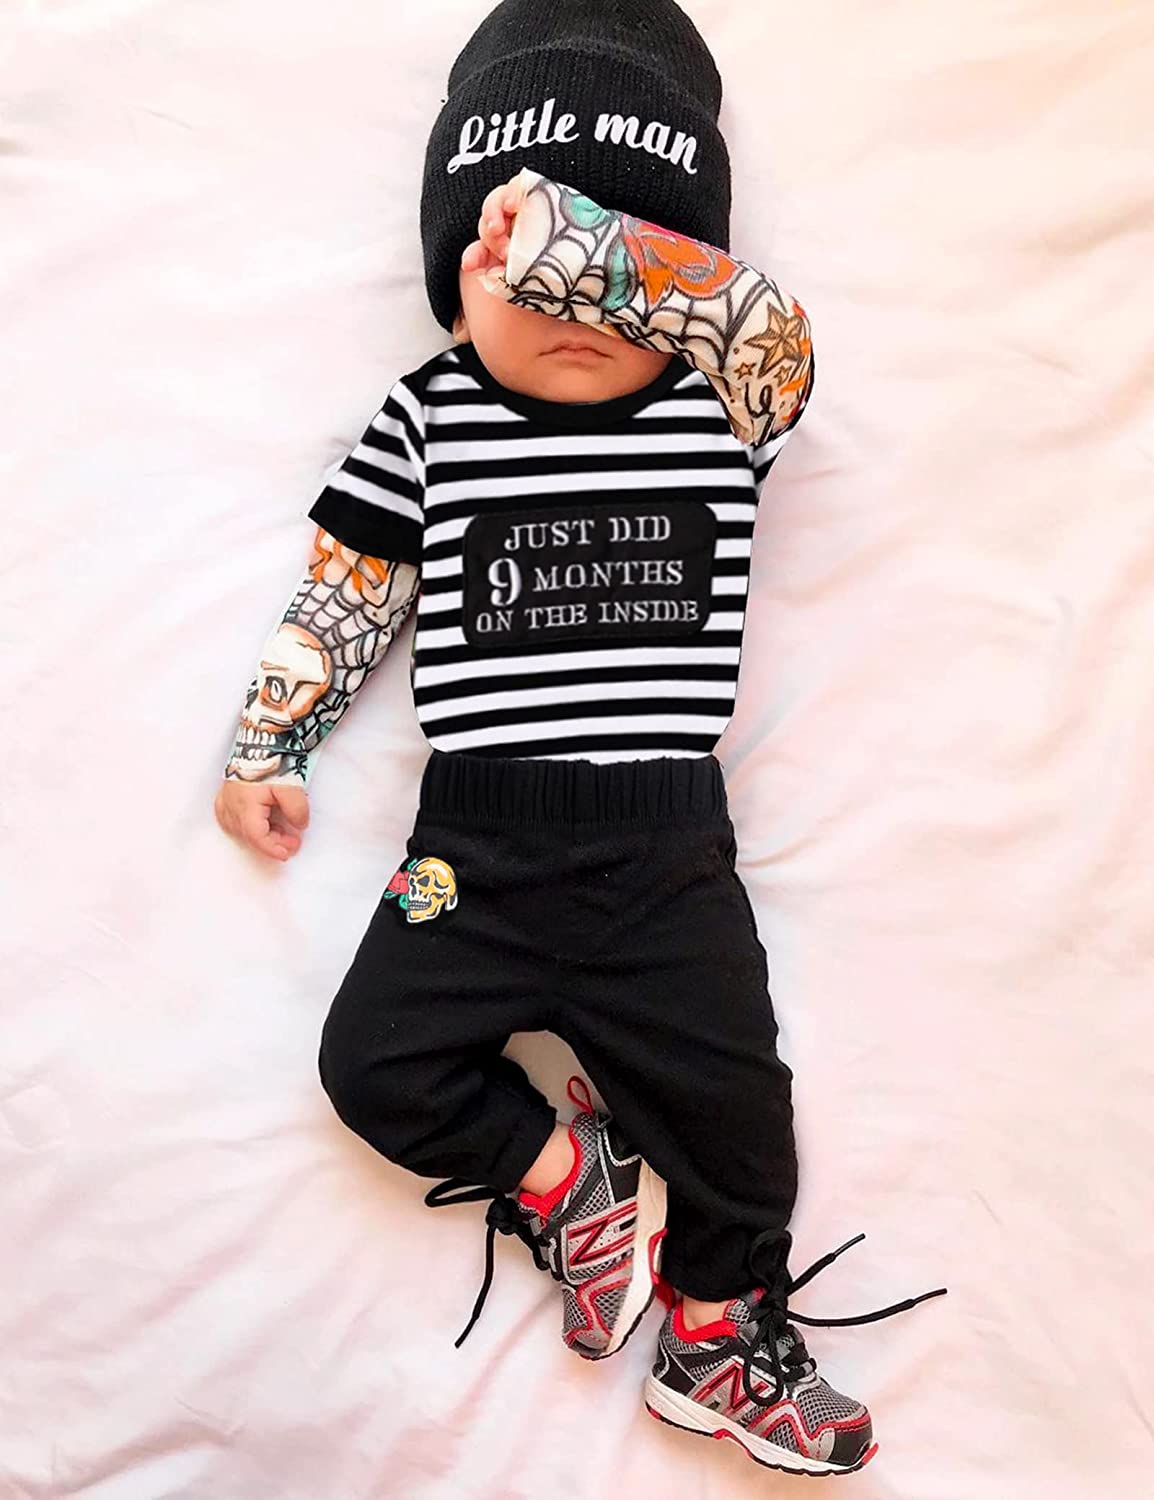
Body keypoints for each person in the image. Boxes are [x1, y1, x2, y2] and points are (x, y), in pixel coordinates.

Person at [214, 0, 944, 1478]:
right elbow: (351, 586)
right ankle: (565, 1178)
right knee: (372, 1065)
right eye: (512, 262)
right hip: (473, 848)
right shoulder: (429, 413)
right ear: (450, 282)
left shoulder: (718, 403)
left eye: (610, 267)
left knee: (742, 1120)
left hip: (664, 855)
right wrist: (268, 745)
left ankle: (718, 1333)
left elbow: (765, 324)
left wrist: (573, 244)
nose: (565, 299)